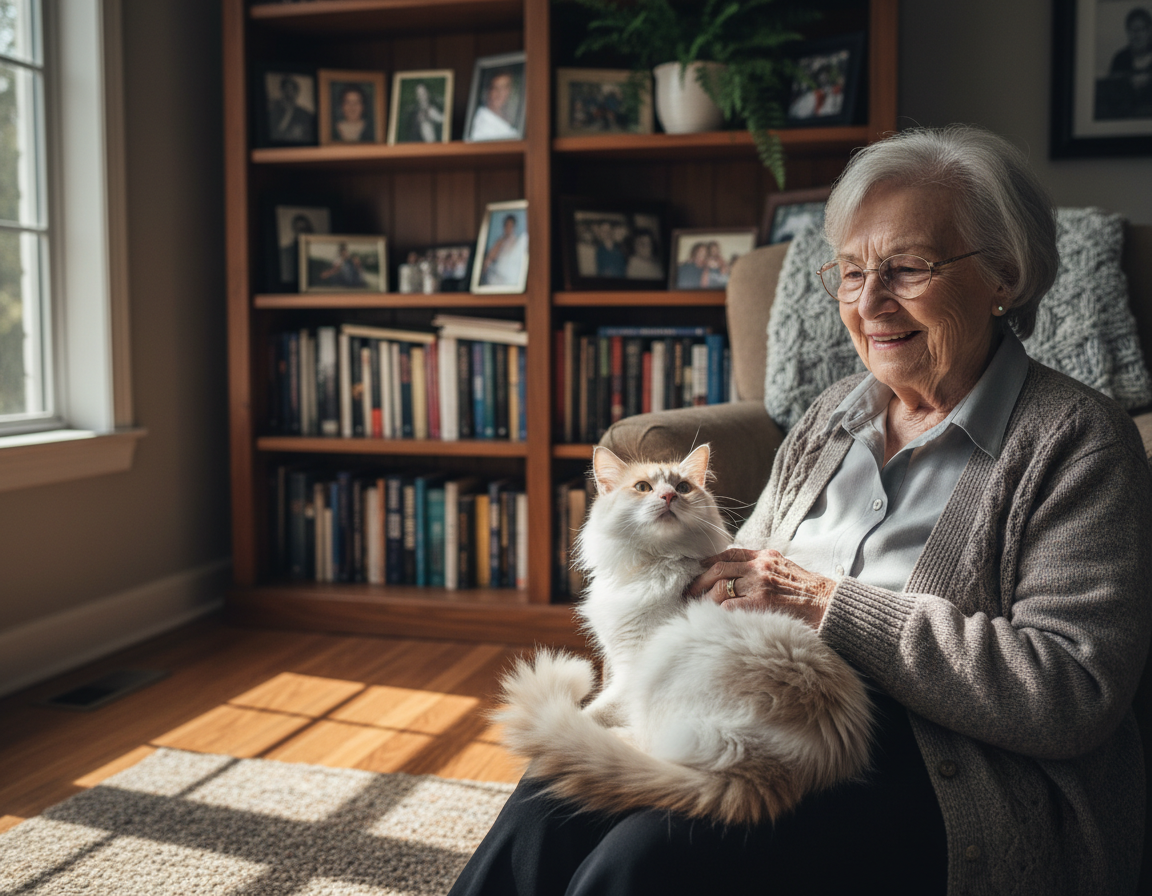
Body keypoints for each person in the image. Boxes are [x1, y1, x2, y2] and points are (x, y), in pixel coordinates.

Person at [448, 125, 1152, 895]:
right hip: (764, 711)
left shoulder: (1080, 441)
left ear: (1003, 277)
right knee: (552, 794)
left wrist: (827, 604)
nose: (869, 302)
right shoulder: (833, 415)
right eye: (851, 272)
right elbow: (745, 566)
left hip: (946, 767)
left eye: (906, 268)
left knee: (649, 856)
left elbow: (1072, 691)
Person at [1108, 7, 1152, 116]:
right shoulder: (1120, 59)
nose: (1137, 35)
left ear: (1149, 31)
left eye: (1141, 29)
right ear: (1127, 32)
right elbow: (1111, 95)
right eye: (1132, 29)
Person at [469, 69, 521, 141]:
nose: (499, 93)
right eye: (495, 88)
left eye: (504, 88)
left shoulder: (511, 118)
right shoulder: (481, 120)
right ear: (488, 91)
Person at [479, 213, 527, 287]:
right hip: (498, 279)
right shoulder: (500, 242)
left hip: (512, 280)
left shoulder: (519, 243)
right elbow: (489, 259)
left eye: (510, 226)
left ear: (514, 227)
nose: (508, 228)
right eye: (507, 225)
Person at [268, 74, 315, 143]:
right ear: (282, 91)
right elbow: (277, 131)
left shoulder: (305, 113)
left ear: (296, 93)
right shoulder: (273, 110)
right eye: (286, 90)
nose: (289, 93)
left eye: (292, 90)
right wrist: (288, 112)